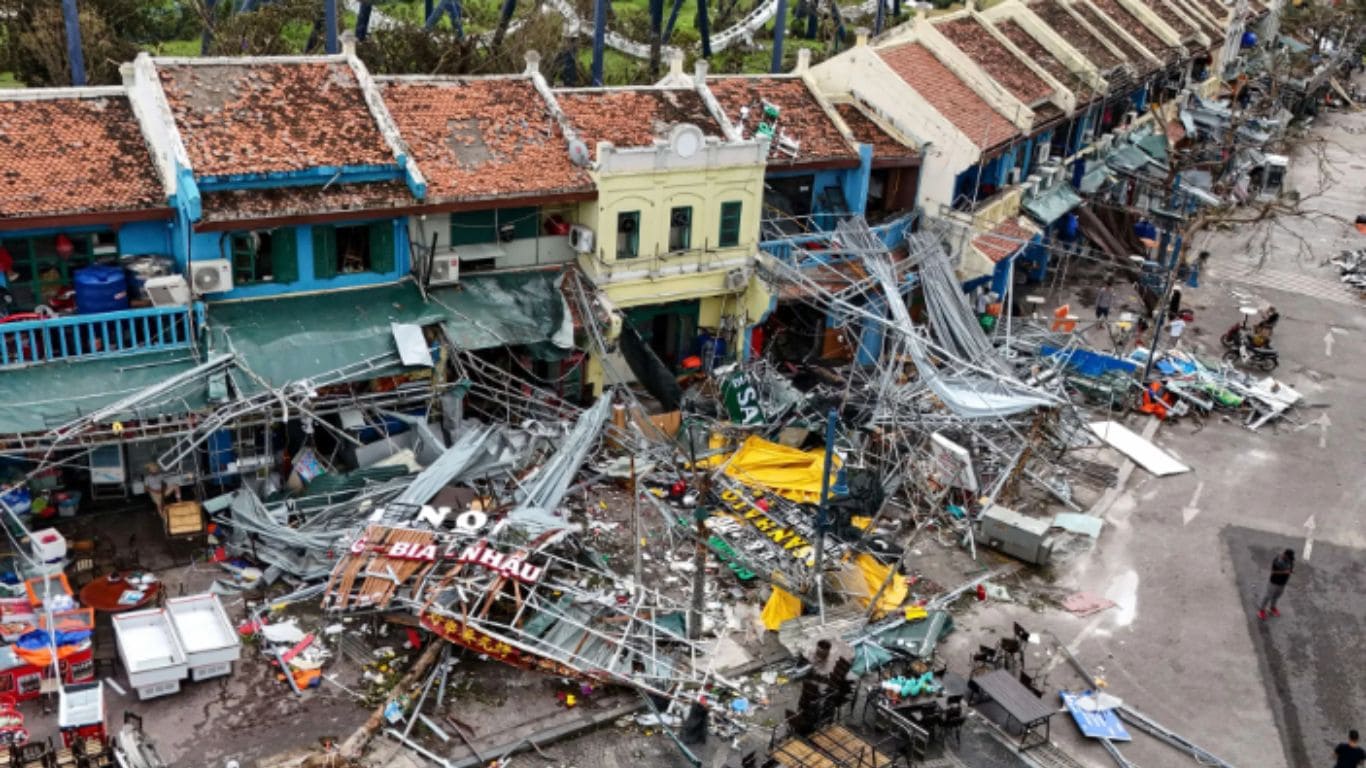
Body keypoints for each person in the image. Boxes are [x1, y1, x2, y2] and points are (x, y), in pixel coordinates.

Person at [1258, 549, 1294, 620]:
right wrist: (1285, 572)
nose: (1290, 559)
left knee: (1276, 596)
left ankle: (1272, 608)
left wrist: (1290, 571)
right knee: (1268, 596)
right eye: (1288, 557)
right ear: (1285, 555)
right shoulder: (1277, 561)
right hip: (1274, 583)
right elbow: (1273, 572)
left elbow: (1290, 569)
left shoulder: (1290, 560)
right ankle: (1261, 610)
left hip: (1282, 583)